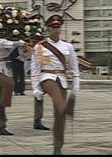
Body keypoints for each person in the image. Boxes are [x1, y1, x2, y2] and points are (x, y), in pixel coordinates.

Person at [31, 15, 80, 155]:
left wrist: (76, 87)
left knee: (60, 115)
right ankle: (66, 108)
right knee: (57, 96)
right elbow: (35, 69)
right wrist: (35, 88)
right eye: (53, 27)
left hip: (62, 79)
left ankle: (57, 147)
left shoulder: (68, 46)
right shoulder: (40, 46)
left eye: (58, 27)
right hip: (46, 77)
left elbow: (74, 68)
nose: (56, 30)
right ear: (48, 28)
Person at [0, 18, 30, 135]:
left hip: (3, 66)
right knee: (10, 84)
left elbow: (6, 51)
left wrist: (16, 43)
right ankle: (5, 106)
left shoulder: (0, 38)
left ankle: (1, 126)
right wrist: (14, 43)